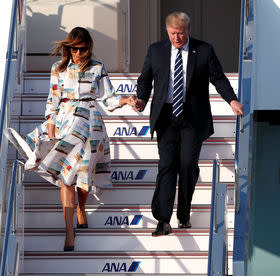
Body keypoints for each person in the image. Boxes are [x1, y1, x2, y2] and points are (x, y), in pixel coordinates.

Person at [6, 27, 133, 250]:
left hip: (91, 125)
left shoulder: (98, 68)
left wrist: (126, 101)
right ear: (68, 48)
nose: (77, 52)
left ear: (88, 47)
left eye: (81, 48)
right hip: (66, 124)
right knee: (67, 176)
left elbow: (109, 99)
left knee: (83, 173)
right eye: (73, 48)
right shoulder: (58, 69)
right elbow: (52, 101)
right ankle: (69, 231)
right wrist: (52, 130)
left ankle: (81, 209)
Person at [130, 12, 243, 236]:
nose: (177, 37)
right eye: (173, 33)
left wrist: (232, 100)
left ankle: (183, 213)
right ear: (167, 31)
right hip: (166, 116)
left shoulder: (204, 50)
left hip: (192, 118)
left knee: (187, 165)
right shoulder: (156, 50)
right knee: (167, 165)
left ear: (188, 30)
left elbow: (218, 78)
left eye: (180, 33)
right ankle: (163, 219)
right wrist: (141, 99)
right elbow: (145, 79)